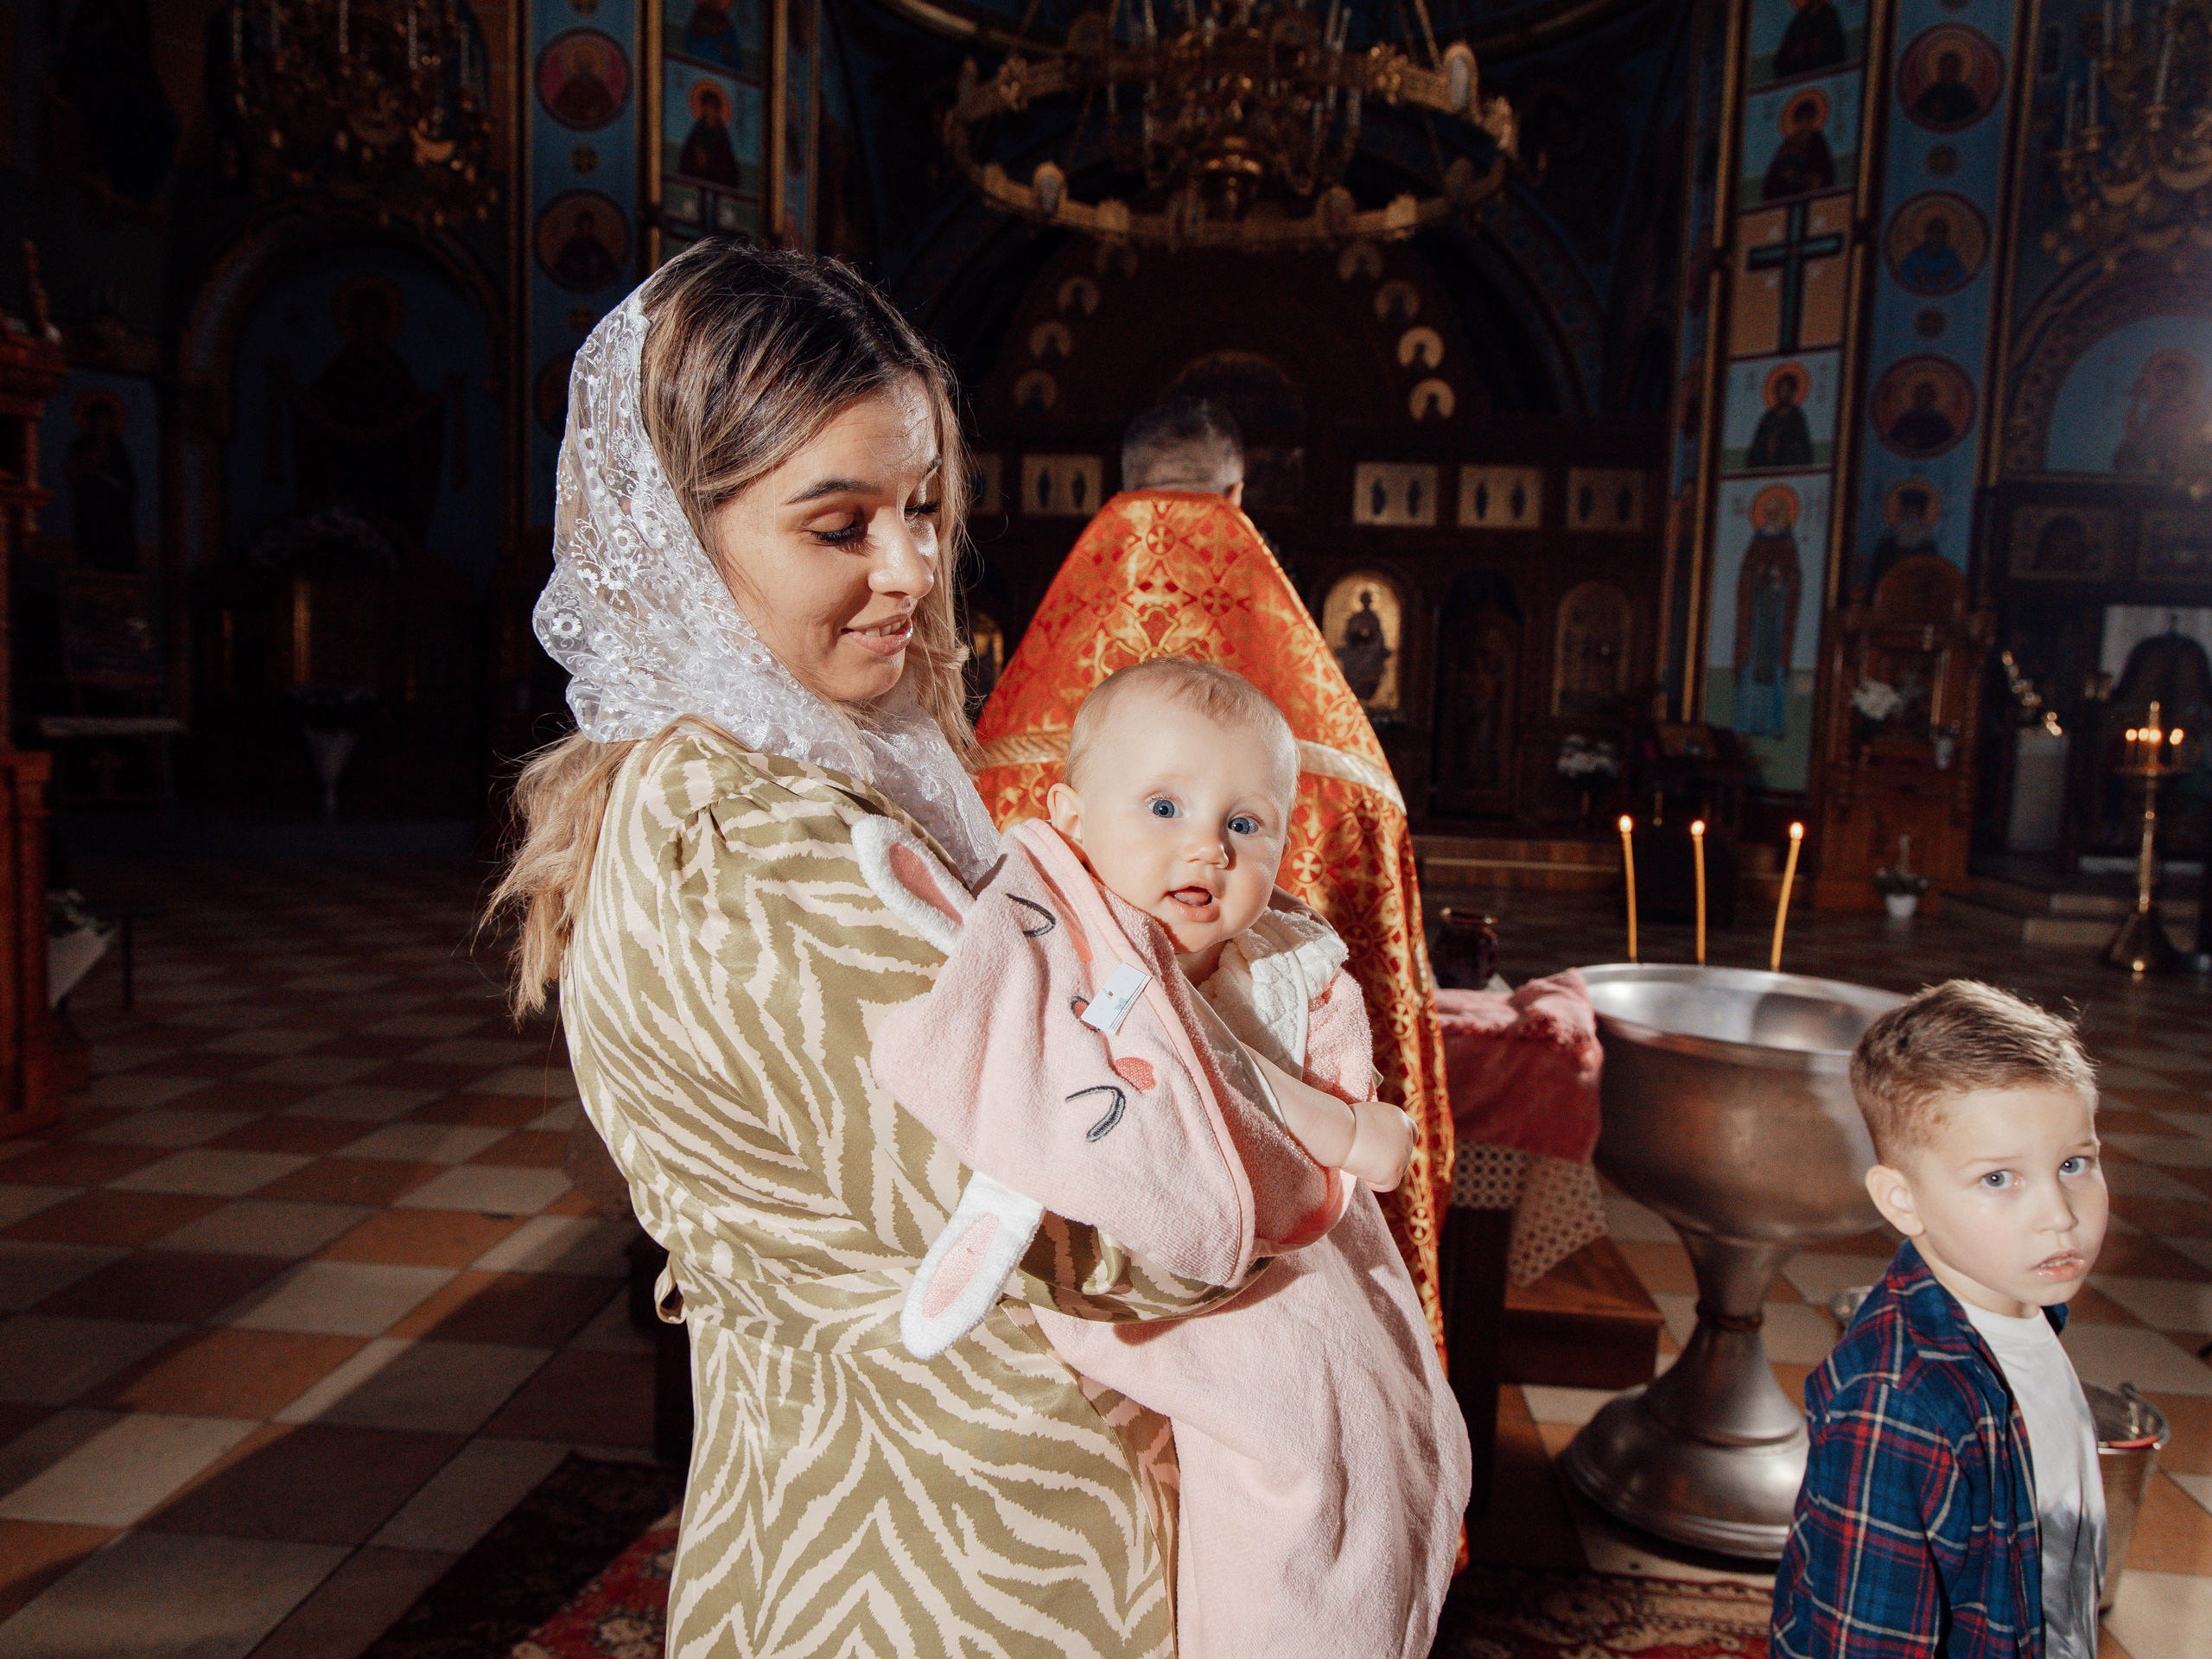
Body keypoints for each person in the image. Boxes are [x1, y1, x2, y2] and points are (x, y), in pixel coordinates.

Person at [495, 241, 1283, 1656]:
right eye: (839, 524)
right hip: (954, 1554)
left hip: (878, 1499)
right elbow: (1135, 1226)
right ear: (684, 532)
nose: (911, 568)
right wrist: (1263, 1116)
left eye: (921, 507)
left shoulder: (749, 775)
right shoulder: (760, 849)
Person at [870, 657, 1469, 1659]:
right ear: (1069, 813)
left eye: (1246, 824)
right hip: (1164, 1257)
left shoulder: (1289, 964)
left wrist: (1344, 1127)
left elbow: (1366, 1133)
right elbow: (1032, 1077)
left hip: (1305, 1234)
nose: (1207, 846)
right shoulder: (1062, 939)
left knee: (1412, 1417)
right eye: (1162, 806)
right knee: (1301, 1449)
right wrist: (1317, 1128)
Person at [971, 395, 1457, 1357]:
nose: (1206, 846)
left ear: (1123, 484)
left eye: (1241, 825)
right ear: (1238, 489)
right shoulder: (1332, 740)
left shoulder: (1023, 715)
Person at [1772, 981, 2108, 1659]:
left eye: (2073, 1164)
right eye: (1998, 1179)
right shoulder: (1898, 1406)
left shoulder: (2020, 1313)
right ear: (1902, 1200)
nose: (2060, 1214)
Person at [1764, 93, 1836, 200]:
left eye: (1809, 119)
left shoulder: (1817, 140)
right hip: (1789, 190)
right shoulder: (1788, 144)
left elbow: (1825, 168)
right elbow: (1776, 174)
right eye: (1802, 120)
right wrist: (1787, 176)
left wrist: (1814, 180)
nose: (1806, 123)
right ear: (1797, 122)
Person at [1746, 370, 1815, 468]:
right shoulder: (1769, 417)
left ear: (1792, 392)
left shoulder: (1796, 416)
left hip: (1790, 466)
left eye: (1787, 390)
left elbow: (1802, 448)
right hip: (1767, 467)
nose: (1784, 393)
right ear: (1776, 391)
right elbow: (1758, 446)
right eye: (1781, 390)